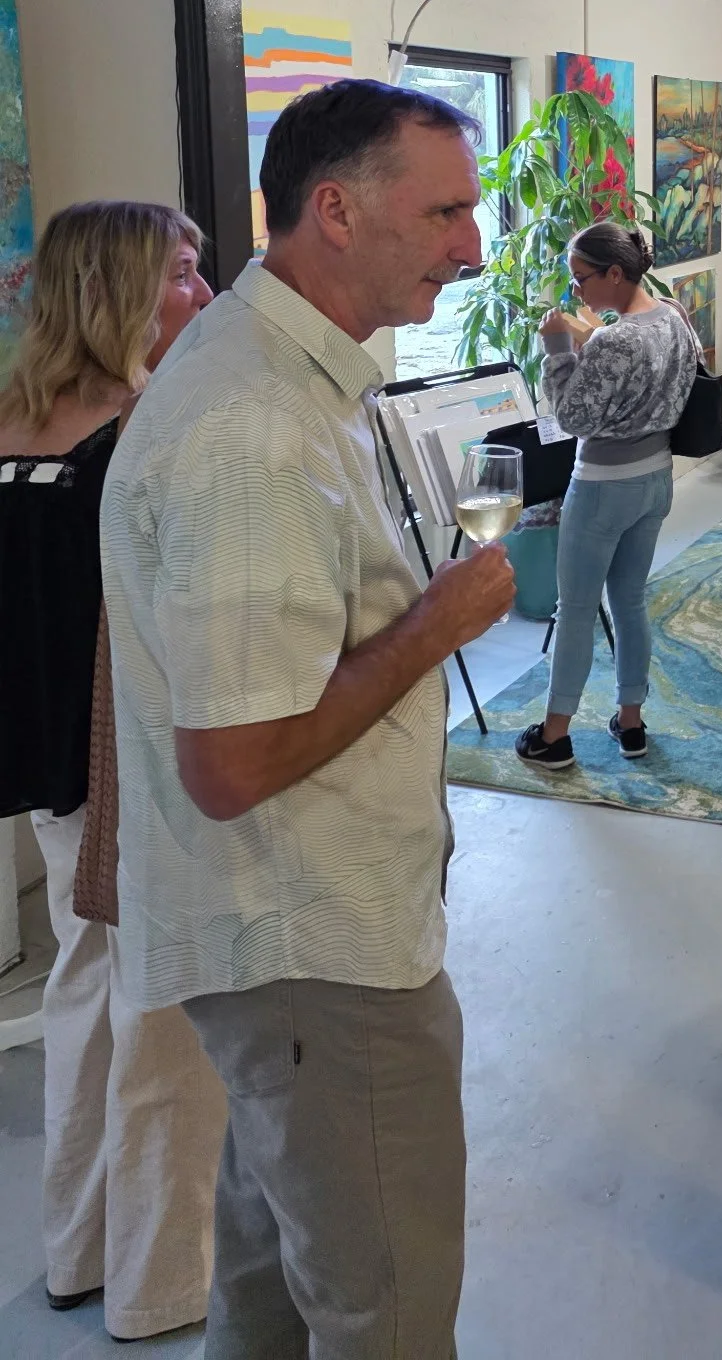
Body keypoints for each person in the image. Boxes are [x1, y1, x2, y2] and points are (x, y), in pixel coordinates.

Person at [100, 79, 516, 1360]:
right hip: (313, 951)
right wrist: (436, 625)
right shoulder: (252, 428)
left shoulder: (309, 380)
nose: (474, 246)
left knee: (279, 1287)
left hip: (310, 940)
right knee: (383, 1309)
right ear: (334, 209)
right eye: (446, 209)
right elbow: (233, 761)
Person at [0, 201, 225, 1342]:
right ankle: (158, 1282)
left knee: (83, 995)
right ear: (124, 292)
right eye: (183, 271)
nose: (204, 289)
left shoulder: (17, 414)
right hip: (133, 763)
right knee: (161, 1015)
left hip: (48, 770)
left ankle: (75, 1247)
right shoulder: (149, 431)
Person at [513, 222, 697, 769]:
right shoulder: (673, 316)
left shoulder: (616, 340)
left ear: (615, 273)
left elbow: (572, 416)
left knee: (574, 609)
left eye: (581, 279)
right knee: (631, 599)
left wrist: (556, 349)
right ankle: (632, 722)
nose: (576, 292)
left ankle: (554, 734)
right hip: (656, 477)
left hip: (601, 487)